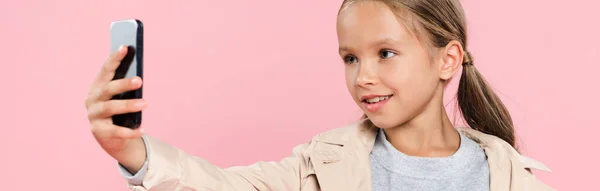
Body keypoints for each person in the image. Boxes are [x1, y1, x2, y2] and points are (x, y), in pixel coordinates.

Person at [85, 0, 554, 190]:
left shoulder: (513, 176)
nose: (362, 76)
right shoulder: (319, 165)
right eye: (350, 58)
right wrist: (133, 152)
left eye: (385, 53)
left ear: (447, 60)